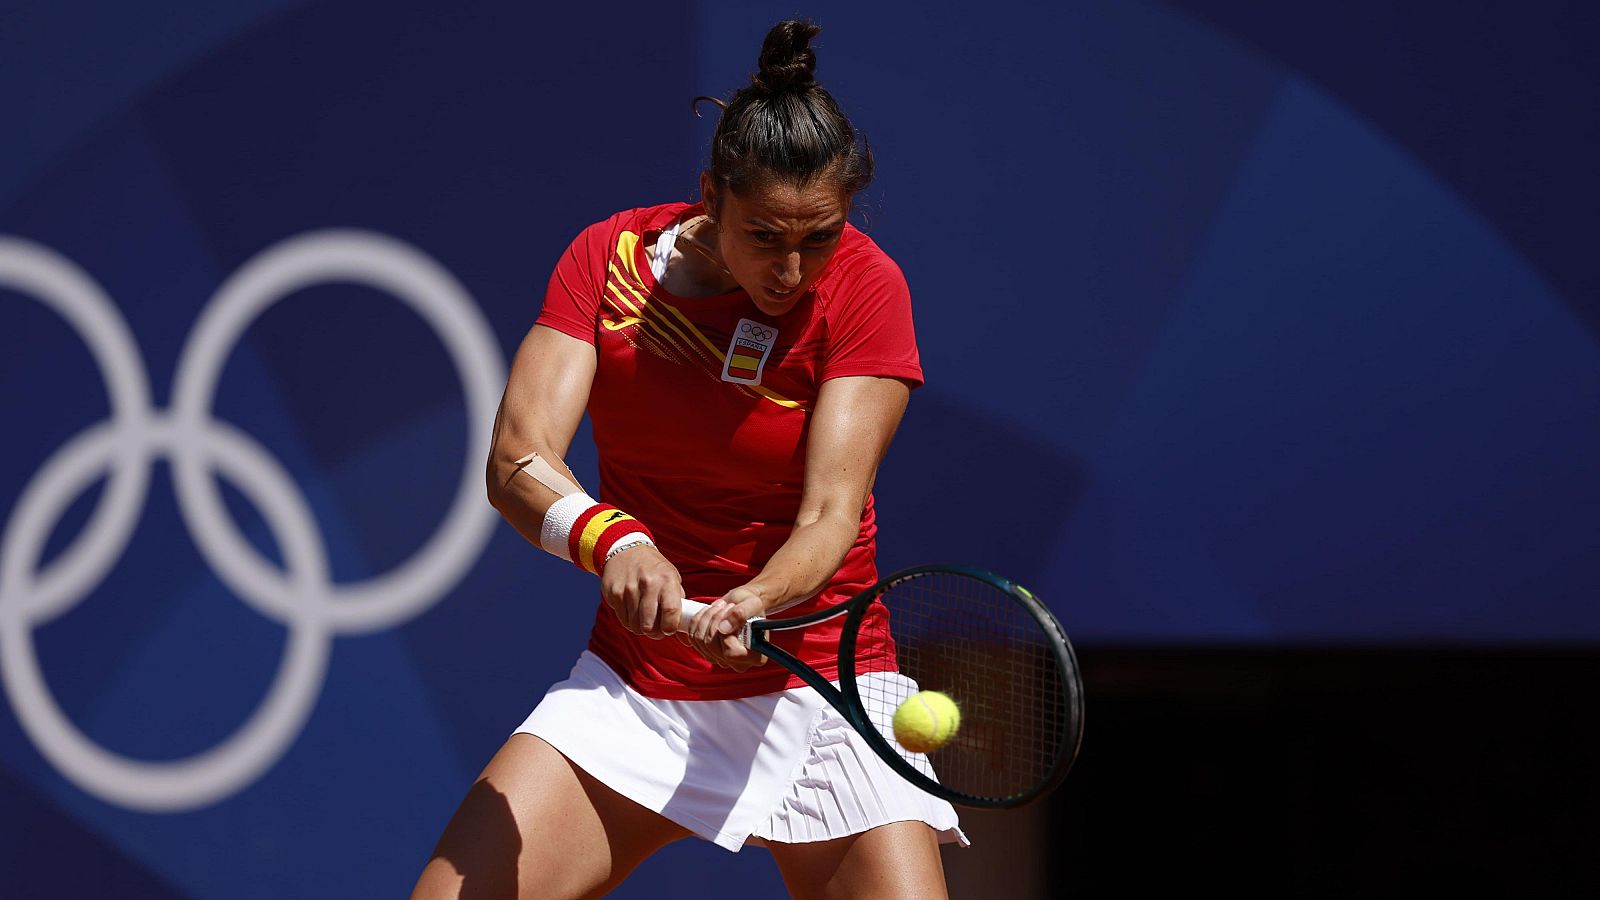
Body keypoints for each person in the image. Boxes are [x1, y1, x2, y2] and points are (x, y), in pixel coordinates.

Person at [411, 20, 961, 900]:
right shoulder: (612, 260)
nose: (792, 268)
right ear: (711, 195)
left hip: (821, 687)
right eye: (765, 234)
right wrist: (612, 539)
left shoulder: (867, 288)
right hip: (641, 688)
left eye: (818, 236)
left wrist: (756, 599)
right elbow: (517, 460)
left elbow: (829, 512)